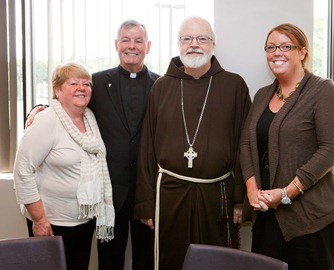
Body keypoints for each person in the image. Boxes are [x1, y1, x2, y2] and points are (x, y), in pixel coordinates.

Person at [24, 20, 158, 269]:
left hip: (146, 193)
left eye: (138, 41)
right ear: (116, 45)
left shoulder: (161, 86)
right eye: (126, 40)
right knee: (109, 261)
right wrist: (37, 108)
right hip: (108, 195)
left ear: (148, 46)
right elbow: (67, 99)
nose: (132, 46)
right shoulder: (95, 82)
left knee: (147, 260)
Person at [134, 16, 251, 270]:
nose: (194, 44)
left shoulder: (234, 86)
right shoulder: (161, 87)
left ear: (213, 44)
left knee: (216, 263)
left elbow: (246, 145)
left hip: (217, 194)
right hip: (169, 194)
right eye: (187, 39)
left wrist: (240, 198)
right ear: (178, 44)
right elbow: (147, 149)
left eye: (201, 39)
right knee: (171, 261)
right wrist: (145, 203)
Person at [239, 23, 334, 270]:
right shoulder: (262, 95)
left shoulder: (323, 90)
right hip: (268, 214)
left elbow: (332, 149)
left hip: (313, 219)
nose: (277, 52)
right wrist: (252, 190)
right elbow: (246, 142)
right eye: (271, 47)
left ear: (302, 52)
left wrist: (287, 193)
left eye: (286, 46)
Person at [13, 62, 115, 270]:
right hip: (52, 222)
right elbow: (22, 170)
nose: (82, 88)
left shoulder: (90, 118)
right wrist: (40, 220)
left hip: (84, 221)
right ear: (57, 90)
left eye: (87, 84)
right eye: (74, 83)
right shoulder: (46, 121)